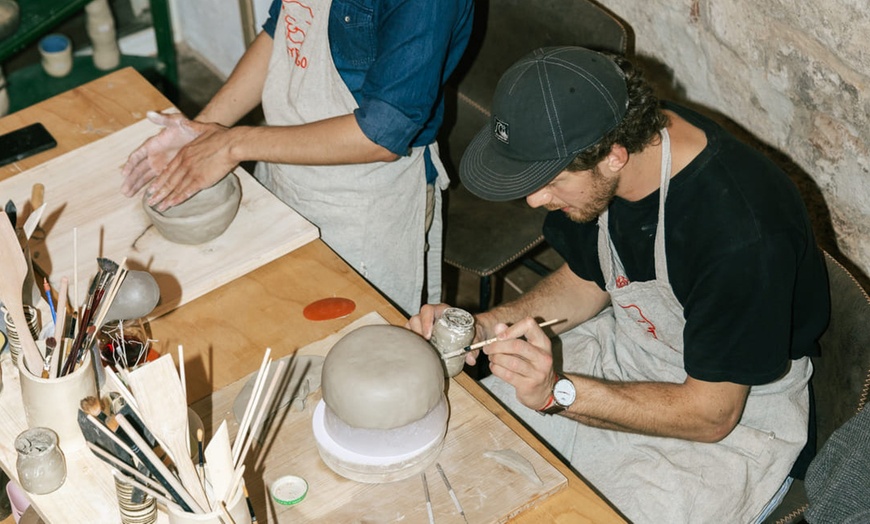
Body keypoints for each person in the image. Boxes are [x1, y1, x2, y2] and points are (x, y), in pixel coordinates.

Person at [408, 46, 830, 523]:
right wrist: (483, 326)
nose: (533, 200)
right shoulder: (615, 138)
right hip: (627, 347)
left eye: (548, 181)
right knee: (463, 450)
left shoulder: (741, 234)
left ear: (614, 155)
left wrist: (557, 392)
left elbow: (712, 415)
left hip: (731, 418)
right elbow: (592, 280)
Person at [120, 0, 474, 316]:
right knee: (276, 310)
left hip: (363, 204)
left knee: (350, 340)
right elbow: (283, 31)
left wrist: (232, 145)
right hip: (281, 164)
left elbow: (381, 135)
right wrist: (204, 130)